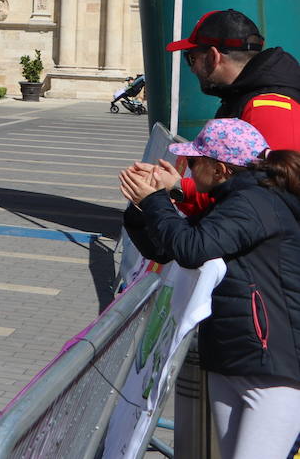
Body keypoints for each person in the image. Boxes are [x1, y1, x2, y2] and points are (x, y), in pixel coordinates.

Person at [120, 119, 300, 459]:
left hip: (273, 367)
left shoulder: (254, 203)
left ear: (219, 169)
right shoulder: (233, 199)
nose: (186, 168)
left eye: (193, 161)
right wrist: (143, 207)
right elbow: (168, 249)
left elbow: (191, 249)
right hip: (236, 357)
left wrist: (158, 200)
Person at [167, 9, 300, 216]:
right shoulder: (243, 96)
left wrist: (177, 187)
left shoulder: (268, 107)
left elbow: (266, 196)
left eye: (191, 59)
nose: (192, 69)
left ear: (213, 56)